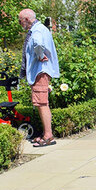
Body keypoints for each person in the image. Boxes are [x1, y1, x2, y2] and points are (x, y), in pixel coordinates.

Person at [19, 8, 60, 147]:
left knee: (42, 104)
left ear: (27, 20)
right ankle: (46, 134)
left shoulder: (37, 30)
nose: (20, 24)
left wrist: (40, 55)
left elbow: (38, 43)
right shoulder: (40, 28)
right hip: (40, 72)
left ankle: (48, 136)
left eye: (20, 21)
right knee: (42, 103)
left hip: (40, 72)